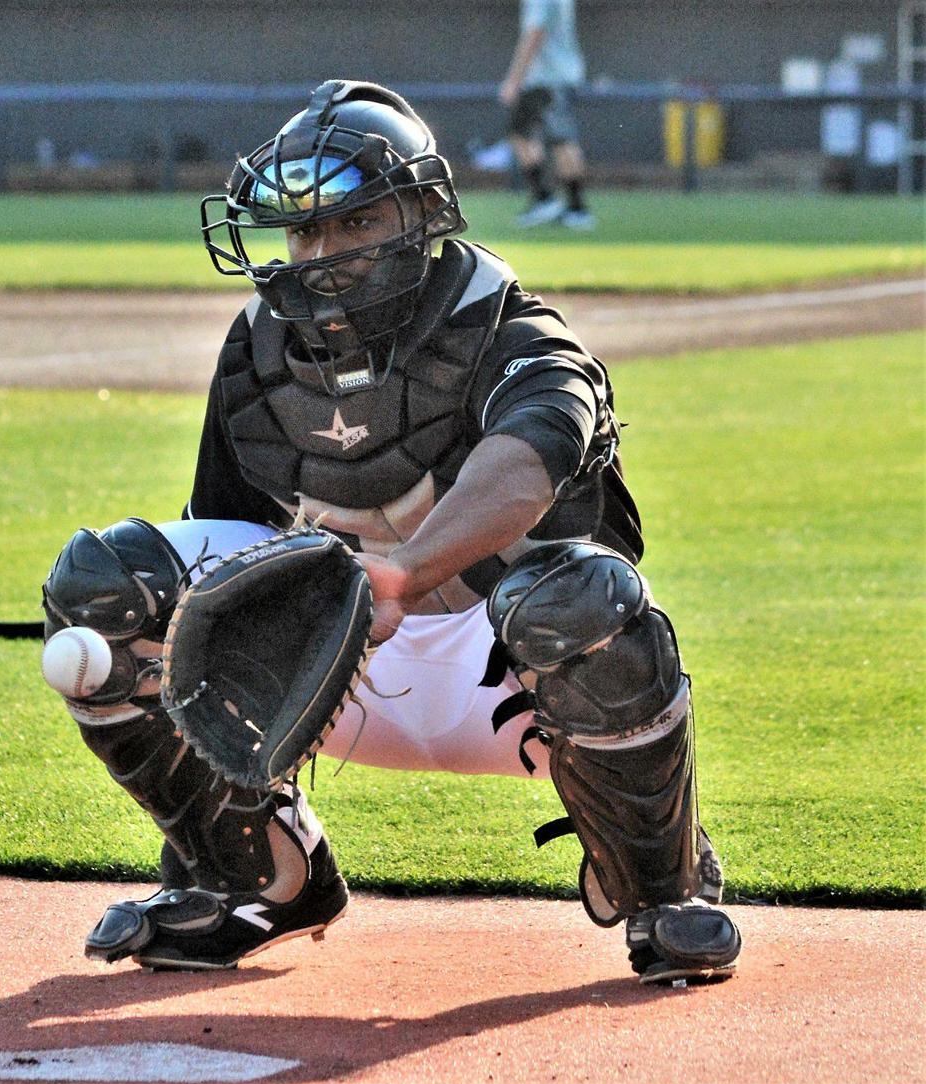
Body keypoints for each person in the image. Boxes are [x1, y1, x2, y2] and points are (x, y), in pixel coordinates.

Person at [40, 79, 741, 985]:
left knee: (586, 600)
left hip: (517, 681)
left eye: (354, 225)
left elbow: (527, 463)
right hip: (327, 670)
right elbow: (216, 541)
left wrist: (403, 572)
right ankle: (250, 875)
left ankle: (663, 886)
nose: (319, 257)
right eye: (302, 232)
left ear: (421, 216)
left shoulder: (511, 330)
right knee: (104, 589)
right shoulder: (257, 351)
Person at [499, 0, 595, 229]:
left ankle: (571, 207)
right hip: (557, 78)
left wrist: (514, 78)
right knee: (524, 135)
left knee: (560, 140)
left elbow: (535, 32)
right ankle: (555, 202)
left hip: (546, 79)